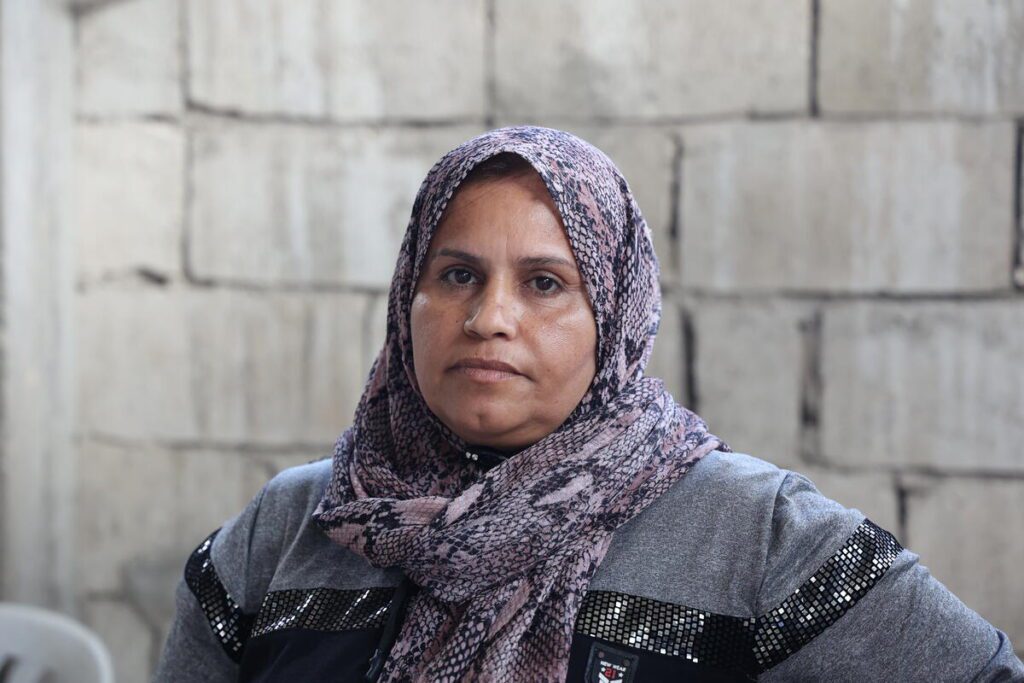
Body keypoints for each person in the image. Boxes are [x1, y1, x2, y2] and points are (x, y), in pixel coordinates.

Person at [154, 127, 1023, 682]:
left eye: (544, 283)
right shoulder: (288, 531)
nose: (490, 317)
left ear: (613, 315)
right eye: (456, 274)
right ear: (405, 302)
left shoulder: (756, 534)